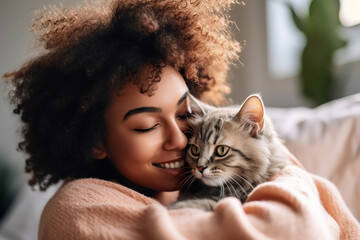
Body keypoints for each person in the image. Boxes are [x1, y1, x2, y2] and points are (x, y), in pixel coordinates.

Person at [4, 0, 359, 239]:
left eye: (182, 115)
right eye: (147, 125)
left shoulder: (191, 183)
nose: (180, 140)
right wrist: (285, 168)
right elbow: (296, 227)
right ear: (97, 139)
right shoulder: (77, 208)